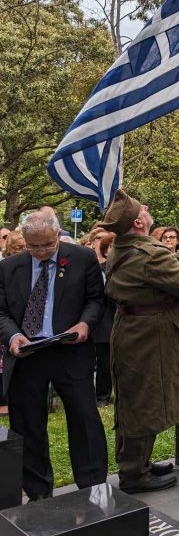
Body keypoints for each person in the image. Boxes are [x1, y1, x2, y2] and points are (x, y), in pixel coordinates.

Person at [98, 189, 179, 493]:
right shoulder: (149, 254)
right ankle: (135, 474)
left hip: (134, 330)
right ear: (138, 223)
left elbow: (161, 270)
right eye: (142, 208)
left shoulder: (128, 247)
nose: (146, 207)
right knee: (145, 402)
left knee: (135, 399)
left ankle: (138, 463)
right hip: (149, 337)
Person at [0, 211, 108, 500]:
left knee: (84, 419)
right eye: (34, 246)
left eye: (47, 244)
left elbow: (96, 300)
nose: (41, 252)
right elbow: (1, 312)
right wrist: (13, 336)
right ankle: (38, 494)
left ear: (58, 235)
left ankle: (94, 487)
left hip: (70, 351)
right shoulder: (10, 267)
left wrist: (85, 324)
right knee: (28, 425)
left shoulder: (82, 258)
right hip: (27, 355)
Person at [89, 230, 117, 406]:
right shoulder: (86, 265)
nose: (101, 242)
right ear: (92, 242)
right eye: (98, 238)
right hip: (87, 320)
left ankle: (102, 396)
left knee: (105, 361)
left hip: (107, 318)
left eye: (104, 239)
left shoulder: (112, 267)